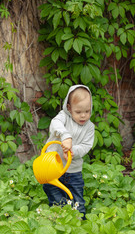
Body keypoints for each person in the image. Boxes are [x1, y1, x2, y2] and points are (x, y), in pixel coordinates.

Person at [43, 84, 95, 219]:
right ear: (69, 108)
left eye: (87, 111)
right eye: (78, 112)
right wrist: (66, 136)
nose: (83, 115)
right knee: (51, 189)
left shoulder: (89, 127)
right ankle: (59, 214)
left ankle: (79, 222)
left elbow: (86, 146)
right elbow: (55, 124)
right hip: (53, 167)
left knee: (78, 199)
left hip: (74, 171)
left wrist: (72, 150)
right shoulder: (63, 118)